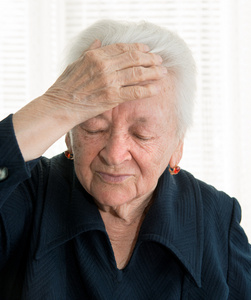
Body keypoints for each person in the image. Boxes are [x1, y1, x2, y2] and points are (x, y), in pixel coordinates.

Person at [0, 19, 250, 300]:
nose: (114, 154)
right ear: (68, 134)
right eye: (94, 126)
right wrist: (58, 104)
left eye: (142, 134)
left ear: (177, 146)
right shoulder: (24, 195)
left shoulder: (215, 218)